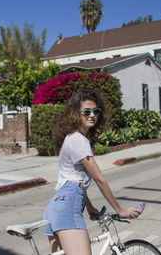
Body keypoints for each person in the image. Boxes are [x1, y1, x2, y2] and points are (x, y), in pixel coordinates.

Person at [43, 89, 141, 255]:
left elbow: (72, 181)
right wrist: (119, 209)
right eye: (86, 112)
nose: (92, 115)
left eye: (96, 111)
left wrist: (89, 207)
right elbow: (99, 179)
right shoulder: (79, 140)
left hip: (54, 209)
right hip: (67, 208)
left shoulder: (71, 138)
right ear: (76, 114)